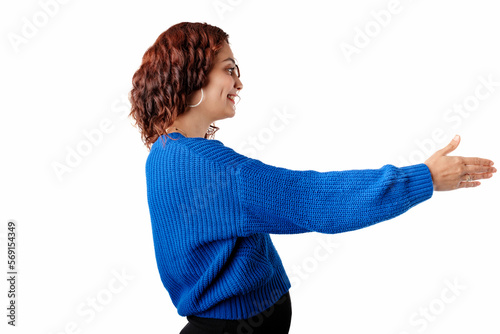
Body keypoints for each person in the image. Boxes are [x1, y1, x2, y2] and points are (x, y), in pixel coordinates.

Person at [128, 22, 496, 334]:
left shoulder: (162, 153)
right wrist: (425, 177)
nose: (239, 83)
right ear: (193, 75)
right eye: (229, 69)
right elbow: (317, 201)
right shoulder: (216, 168)